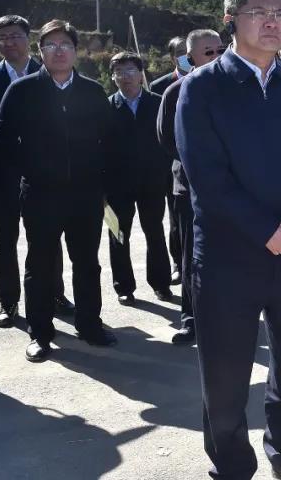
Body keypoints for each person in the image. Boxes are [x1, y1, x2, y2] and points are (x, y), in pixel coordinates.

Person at [177, 0, 281, 480]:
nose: (273, 22)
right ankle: (231, 465)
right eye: (259, 12)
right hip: (228, 259)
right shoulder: (202, 88)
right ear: (230, 21)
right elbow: (206, 177)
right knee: (225, 378)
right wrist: (267, 229)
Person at [0, 20, 117, 362]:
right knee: (41, 265)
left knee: (87, 263)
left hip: (85, 196)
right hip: (41, 195)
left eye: (66, 45)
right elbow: (1, 140)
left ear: (76, 51)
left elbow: (110, 141)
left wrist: (101, 182)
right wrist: (32, 170)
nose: (59, 51)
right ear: (41, 51)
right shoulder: (22, 90)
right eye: (51, 45)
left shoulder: (92, 91)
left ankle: (89, 325)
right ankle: (40, 332)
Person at [0, 15, 69, 328]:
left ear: (29, 38)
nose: (8, 42)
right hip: (1, 174)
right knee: (4, 240)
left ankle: (55, 294)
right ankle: (8, 301)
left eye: (14, 36)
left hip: (44, 174)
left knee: (48, 238)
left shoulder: (51, 73)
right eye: (2, 38)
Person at [156, 28, 224, 346]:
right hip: (191, 188)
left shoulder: (238, 88)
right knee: (192, 257)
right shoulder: (176, 92)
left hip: (233, 189)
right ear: (190, 57)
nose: (216, 57)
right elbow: (167, 140)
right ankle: (191, 318)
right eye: (208, 52)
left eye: (220, 50)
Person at [105, 51, 174, 305]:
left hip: (152, 182)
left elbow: (169, 141)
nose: (125, 76)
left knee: (154, 231)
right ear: (113, 77)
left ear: (141, 73)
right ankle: (124, 286)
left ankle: (161, 283)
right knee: (117, 235)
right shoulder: (105, 107)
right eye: (119, 72)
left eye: (130, 70)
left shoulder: (158, 103)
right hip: (115, 186)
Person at [151, 34, 190, 286]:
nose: (185, 56)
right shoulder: (161, 86)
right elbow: (160, 130)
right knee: (175, 219)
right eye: (180, 52)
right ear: (173, 57)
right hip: (169, 163)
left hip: (197, 166)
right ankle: (178, 262)